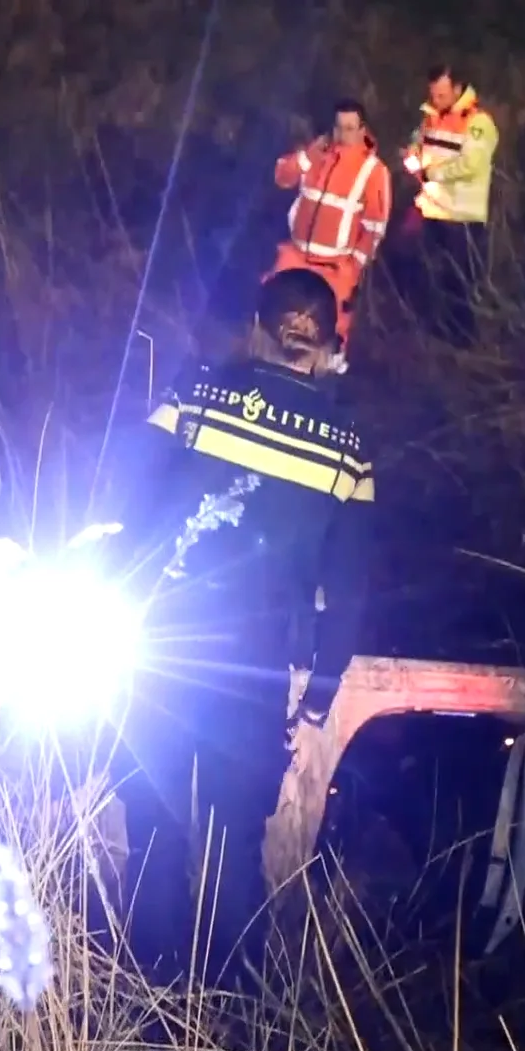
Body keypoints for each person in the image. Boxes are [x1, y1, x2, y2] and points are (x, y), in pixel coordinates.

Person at [99, 267, 375, 989]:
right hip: (253, 671)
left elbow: (125, 502)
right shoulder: (348, 448)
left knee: (153, 825)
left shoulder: (193, 395)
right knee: (233, 843)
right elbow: (348, 589)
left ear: (256, 330)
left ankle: (148, 999)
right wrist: (318, 699)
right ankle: (233, 1011)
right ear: (328, 347)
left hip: (159, 651)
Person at [269, 99, 392, 362]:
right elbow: (282, 177)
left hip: (336, 266)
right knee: (273, 305)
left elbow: (374, 227)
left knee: (334, 325)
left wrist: (353, 266)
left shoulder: (373, 170)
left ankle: (329, 369)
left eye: (349, 128)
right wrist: (308, 156)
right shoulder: (315, 154)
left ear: (362, 130)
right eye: (338, 127)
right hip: (296, 253)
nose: (343, 134)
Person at [399, 63, 499, 348]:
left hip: (461, 219)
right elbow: (418, 141)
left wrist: (432, 173)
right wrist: (412, 154)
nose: (436, 100)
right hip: (431, 210)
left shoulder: (478, 122)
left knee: (460, 287)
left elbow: (471, 164)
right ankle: (429, 335)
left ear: (457, 89)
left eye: (442, 95)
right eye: (433, 94)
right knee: (426, 275)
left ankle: (462, 344)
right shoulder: (431, 117)